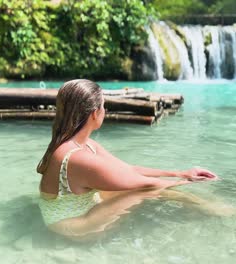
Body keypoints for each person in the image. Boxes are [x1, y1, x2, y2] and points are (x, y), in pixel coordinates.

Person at [37, 79, 223, 239]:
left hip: (80, 210)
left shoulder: (85, 145)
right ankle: (210, 209)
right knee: (141, 191)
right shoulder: (78, 158)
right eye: (103, 106)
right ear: (94, 113)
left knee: (144, 189)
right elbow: (142, 183)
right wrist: (185, 183)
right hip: (71, 228)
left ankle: (204, 207)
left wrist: (181, 173)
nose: (105, 110)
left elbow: (127, 169)